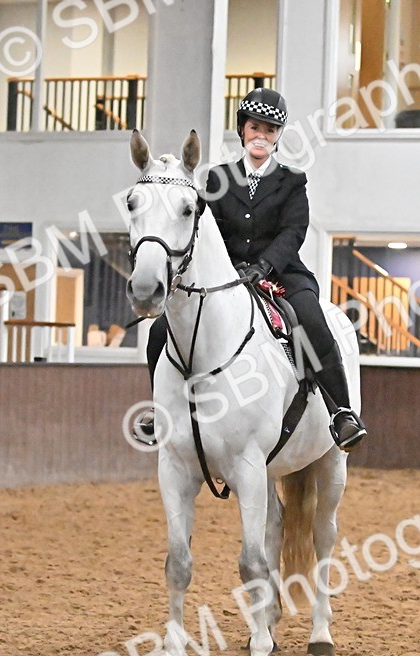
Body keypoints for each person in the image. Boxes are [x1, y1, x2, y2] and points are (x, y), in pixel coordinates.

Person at [135, 87, 367, 451]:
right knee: (159, 330)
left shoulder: (292, 180)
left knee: (312, 321)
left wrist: (265, 265)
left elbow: (294, 232)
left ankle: (341, 412)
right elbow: (208, 231)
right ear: (242, 129)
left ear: (277, 136)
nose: (262, 135)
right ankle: (159, 409)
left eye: (270, 130)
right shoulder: (218, 178)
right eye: (255, 127)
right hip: (228, 274)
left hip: (282, 273)